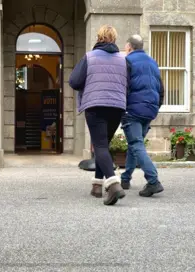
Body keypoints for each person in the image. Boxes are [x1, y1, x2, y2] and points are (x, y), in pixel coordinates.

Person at [69, 25, 128, 205]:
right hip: (117, 106)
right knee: (104, 144)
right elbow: (129, 84)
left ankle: (114, 184)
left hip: (95, 105)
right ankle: (97, 186)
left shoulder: (90, 57)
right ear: (115, 39)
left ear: (99, 37)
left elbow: (74, 81)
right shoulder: (124, 59)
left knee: (100, 145)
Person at [121, 34, 164, 197]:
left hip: (133, 109)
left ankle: (153, 181)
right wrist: (156, 107)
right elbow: (161, 89)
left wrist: (122, 107)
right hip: (150, 109)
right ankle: (125, 178)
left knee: (136, 144)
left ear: (129, 47)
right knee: (134, 144)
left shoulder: (128, 61)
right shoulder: (153, 62)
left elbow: (124, 87)